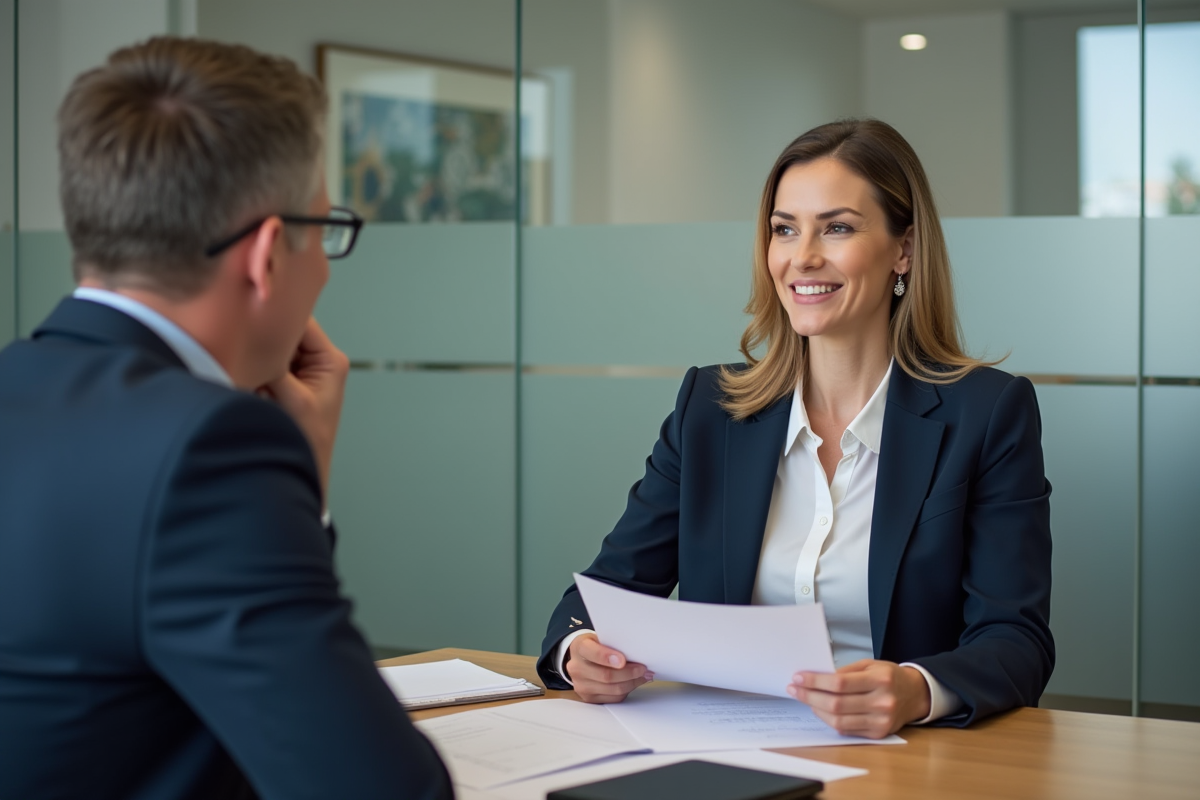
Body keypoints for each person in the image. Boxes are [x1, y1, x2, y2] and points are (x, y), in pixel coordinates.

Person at [0, 38, 452, 799]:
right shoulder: (210, 448)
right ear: (269, 253)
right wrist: (300, 493)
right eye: (326, 231)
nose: (322, 267)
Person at [537, 119, 1054, 739]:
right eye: (785, 229)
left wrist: (915, 690)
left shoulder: (986, 412)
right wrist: (580, 654)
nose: (802, 257)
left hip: (898, 762)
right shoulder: (711, 407)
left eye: (836, 228)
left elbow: (1016, 640)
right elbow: (596, 599)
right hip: (720, 750)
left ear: (904, 250)